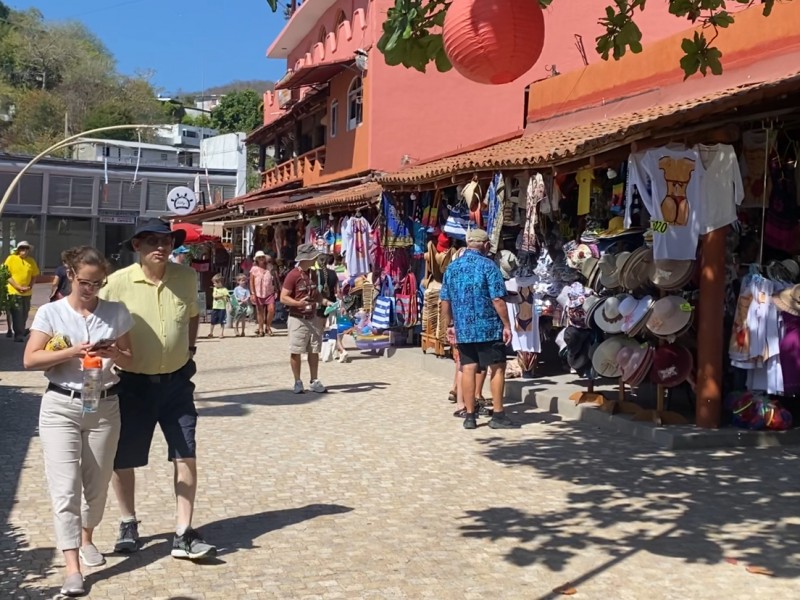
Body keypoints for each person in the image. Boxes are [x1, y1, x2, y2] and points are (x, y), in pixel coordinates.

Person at [98, 218, 216, 561]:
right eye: (151, 241)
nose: (161, 247)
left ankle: (183, 533)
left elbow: (193, 314)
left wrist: (191, 349)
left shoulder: (186, 277)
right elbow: (95, 321)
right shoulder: (117, 284)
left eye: (166, 241)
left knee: (186, 453)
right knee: (123, 459)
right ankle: (127, 522)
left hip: (178, 383)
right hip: (131, 384)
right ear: (137, 246)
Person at [23, 246, 134, 597]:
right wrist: (71, 351)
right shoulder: (51, 313)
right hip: (60, 405)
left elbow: (131, 361)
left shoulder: (116, 313)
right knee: (65, 488)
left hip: (103, 406)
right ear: (71, 275)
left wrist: (114, 353)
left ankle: (87, 537)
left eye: (98, 283)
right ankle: (72, 567)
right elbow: (30, 359)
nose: (91, 290)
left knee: (98, 486)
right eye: (86, 282)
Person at [440, 229, 518, 430]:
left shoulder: (452, 268)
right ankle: (498, 415)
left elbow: (445, 301)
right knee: (497, 367)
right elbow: (498, 299)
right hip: (489, 327)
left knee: (468, 368)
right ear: (484, 245)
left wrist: (448, 325)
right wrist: (507, 325)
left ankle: (470, 416)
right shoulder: (489, 266)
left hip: (464, 328)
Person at [280, 243, 329, 394]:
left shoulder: (314, 274)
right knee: (296, 350)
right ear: (305, 259)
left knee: (314, 350)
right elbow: (283, 297)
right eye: (313, 257)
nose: (315, 259)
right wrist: (297, 303)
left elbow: (317, 295)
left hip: (312, 317)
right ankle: (297, 381)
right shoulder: (293, 275)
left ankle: (314, 380)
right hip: (297, 318)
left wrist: (327, 302)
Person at [4, 240, 40, 342]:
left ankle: (21, 330)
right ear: (18, 250)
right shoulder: (11, 259)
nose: (24, 251)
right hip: (14, 291)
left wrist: (30, 286)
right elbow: (6, 274)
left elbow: (34, 275)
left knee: (25, 312)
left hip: (27, 292)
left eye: (26, 249)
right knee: (17, 312)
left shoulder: (31, 261)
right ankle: (18, 334)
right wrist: (17, 286)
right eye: (22, 248)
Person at [250, 251, 277, 337]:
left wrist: (276, 288)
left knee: (271, 310)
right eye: (259, 257)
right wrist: (253, 293)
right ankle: (260, 328)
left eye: (262, 257)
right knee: (260, 311)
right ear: (256, 259)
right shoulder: (254, 269)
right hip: (258, 292)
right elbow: (251, 282)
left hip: (269, 291)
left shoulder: (270, 267)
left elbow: (274, 278)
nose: (261, 259)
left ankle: (268, 326)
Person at [208, 273, 229, 338]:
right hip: (215, 307)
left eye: (215, 283)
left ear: (220, 282)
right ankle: (211, 333)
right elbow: (214, 296)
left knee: (222, 321)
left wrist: (228, 304)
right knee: (212, 321)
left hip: (222, 308)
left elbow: (227, 297)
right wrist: (222, 296)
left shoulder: (225, 290)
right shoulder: (215, 289)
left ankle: (221, 333)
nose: (214, 284)